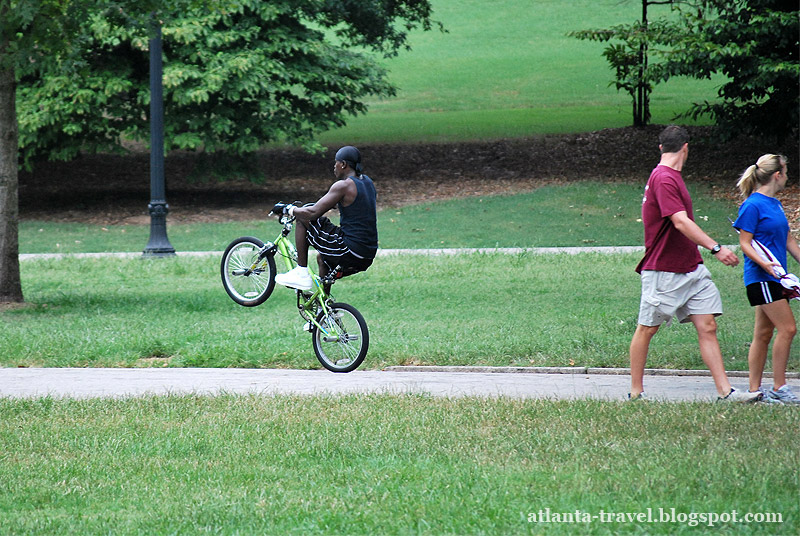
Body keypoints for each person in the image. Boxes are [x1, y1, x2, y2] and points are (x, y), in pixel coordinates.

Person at [628, 125, 760, 402]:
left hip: (691, 266)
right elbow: (680, 221)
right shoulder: (663, 178)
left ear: (661, 147)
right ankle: (636, 393)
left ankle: (726, 392)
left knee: (708, 325)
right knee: (648, 328)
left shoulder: (671, 177)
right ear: (686, 147)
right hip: (664, 268)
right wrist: (715, 248)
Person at [733, 154, 800, 404]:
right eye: (785, 171)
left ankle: (754, 391)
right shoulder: (753, 205)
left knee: (763, 333)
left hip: (777, 278)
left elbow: (788, 240)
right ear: (777, 175)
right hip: (761, 277)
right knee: (788, 328)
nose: (787, 176)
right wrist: (766, 265)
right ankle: (779, 387)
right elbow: (745, 243)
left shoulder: (775, 204)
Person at [273, 145, 378, 290]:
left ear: (343, 164)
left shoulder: (343, 186)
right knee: (323, 260)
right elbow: (352, 206)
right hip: (367, 253)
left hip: (349, 249)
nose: (334, 166)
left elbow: (312, 213)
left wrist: (288, 209)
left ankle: (301, 273)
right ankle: (326, 309)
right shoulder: (367, 182)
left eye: (336, 162)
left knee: (304, 219)